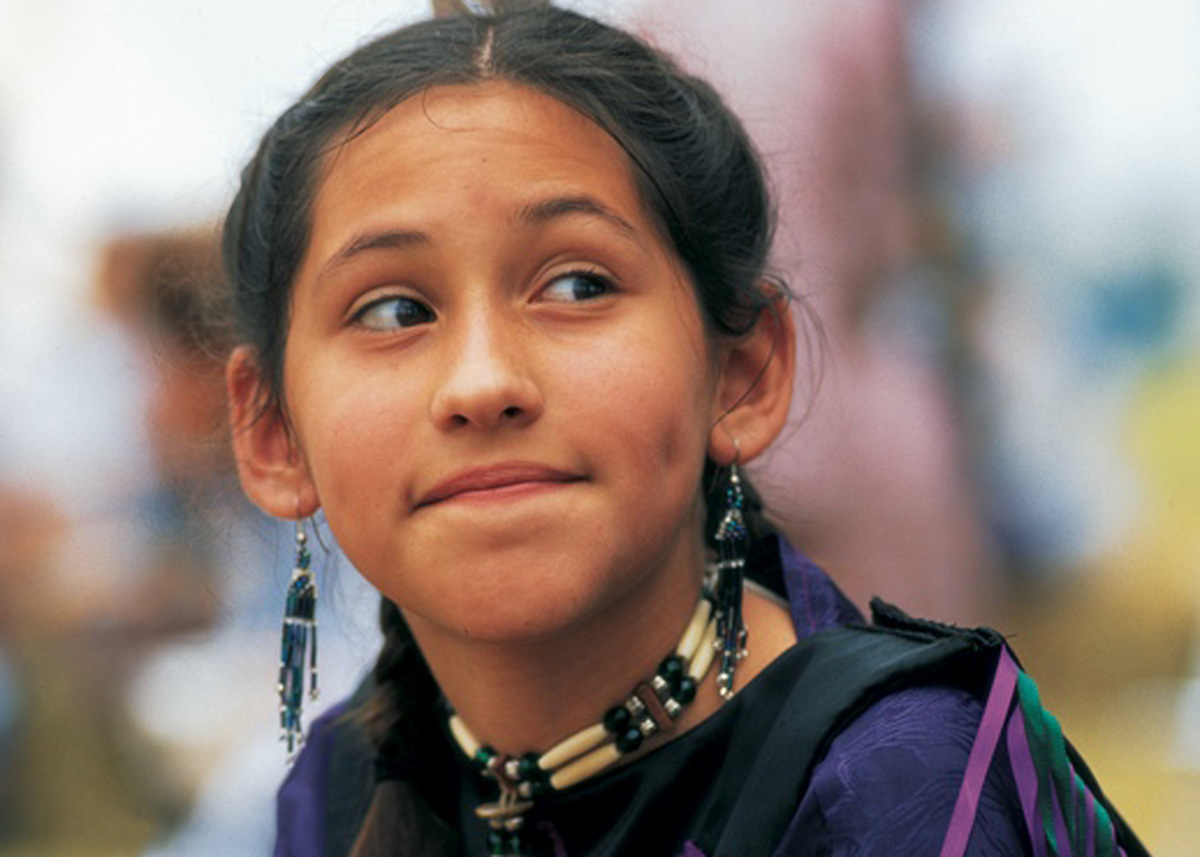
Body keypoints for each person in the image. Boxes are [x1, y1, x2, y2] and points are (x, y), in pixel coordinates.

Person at [221, 3, 1149, 855]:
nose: (483, 382)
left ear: (741, 375)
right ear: (274, 435)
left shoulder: (899, 781)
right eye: (393, 311)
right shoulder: (340, 788)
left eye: (578, 285)